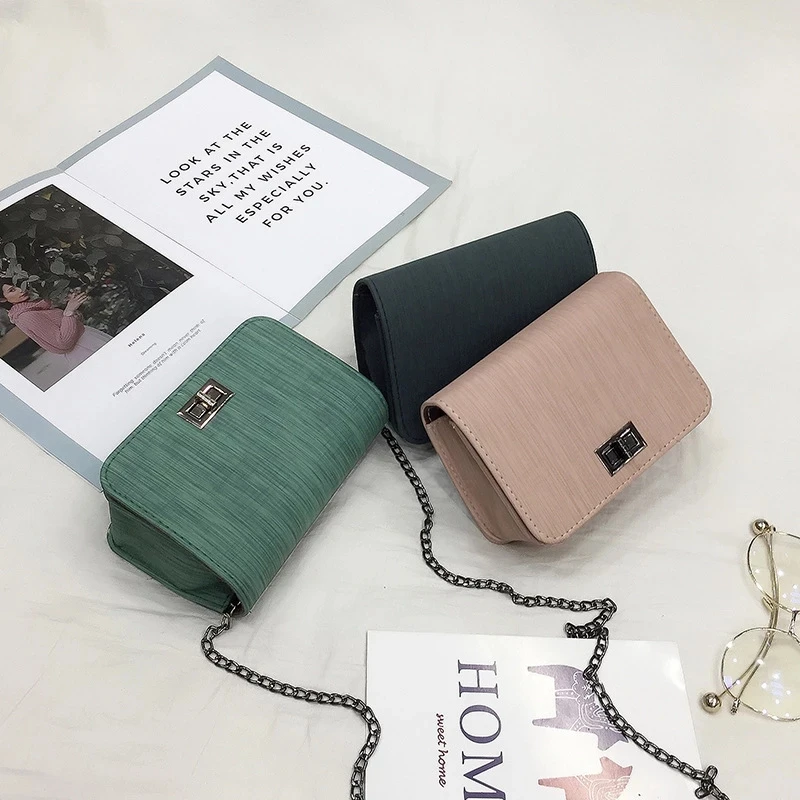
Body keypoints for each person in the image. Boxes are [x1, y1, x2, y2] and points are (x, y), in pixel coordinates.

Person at [1, 283, 112, 368]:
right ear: (2, 299)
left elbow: (72, 324)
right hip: (85, 349)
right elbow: (62, 343)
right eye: (12, 290)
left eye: (19, 284)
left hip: (87, 341)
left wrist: (72, 311)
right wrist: (69, 312)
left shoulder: (33, 307)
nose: (21, 290)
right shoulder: (25, 316)